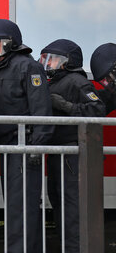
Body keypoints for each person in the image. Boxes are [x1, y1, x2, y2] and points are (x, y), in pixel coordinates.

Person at [0, 19, 53, 253]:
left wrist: (36, 147)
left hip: (24, 145)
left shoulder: (27, 67)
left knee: (21, 209)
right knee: (14, 207)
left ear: (10, 44)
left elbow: (41, 109)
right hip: (6, 146)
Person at [38, 39, 105, 253]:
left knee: (72, 207)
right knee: (57, 202)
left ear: (68, 62)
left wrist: (66, 106)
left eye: (54, 59)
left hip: (73, 155)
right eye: (46, 59)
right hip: (58, 154)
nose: (49, 64)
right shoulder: (51, 83)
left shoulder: (77, 82)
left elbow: (97, 109)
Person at [90, 42, 116, 115]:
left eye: (109, 76)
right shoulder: (111, 92)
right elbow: (96, 111)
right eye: (105, 79)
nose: (108, 81)